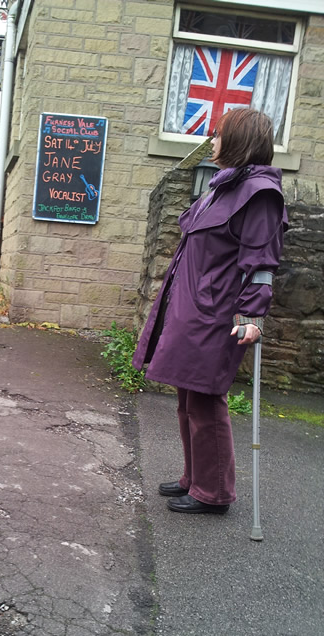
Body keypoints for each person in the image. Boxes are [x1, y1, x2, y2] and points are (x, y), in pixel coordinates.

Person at [132, 108, 287, 515]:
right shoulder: (222, 187)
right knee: (186, 398)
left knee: (205, 401)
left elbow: (262, 264)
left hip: (219, 315)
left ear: (237, 140)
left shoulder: (260, 194)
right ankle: (194, 478)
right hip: (191, 308)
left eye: (217, 135)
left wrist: (251, 318)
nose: (212, 141)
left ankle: (214, 492)